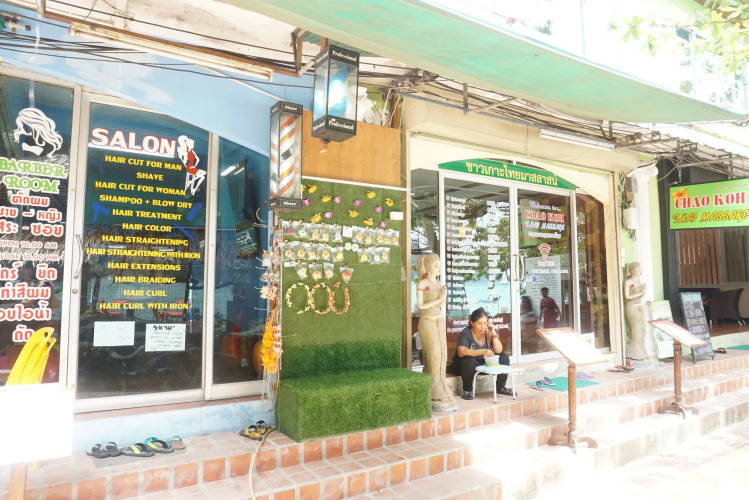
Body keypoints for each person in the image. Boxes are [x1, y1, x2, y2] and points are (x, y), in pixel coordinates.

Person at [416, 254, 455, 412]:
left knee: (443, 354)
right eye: (436, 265)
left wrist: (443, 297)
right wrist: (439, 299)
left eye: (440, 265)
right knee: (434, 355)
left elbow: (440, 304)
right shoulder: (423, 283)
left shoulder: (438, 283)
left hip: (439, 321)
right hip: (427, 322)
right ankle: (434, 391)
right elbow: (421, 306)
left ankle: (441, 386)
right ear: (428, 267)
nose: (439, 268)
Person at [450, 307, 512, 400]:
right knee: (469, 361)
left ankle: (500, 387)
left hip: (481, 364)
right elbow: (461, 352)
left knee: (504, 357)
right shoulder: (465, 333)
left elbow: (499, 350)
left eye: (485, 323)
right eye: (480, 324)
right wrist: (483, 351)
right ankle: (467, 390)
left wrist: (494, 334)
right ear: (472, 323)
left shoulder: (488, 332)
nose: (483, 326)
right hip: (464, 367)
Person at [624, 261, 648, 360]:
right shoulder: (628, 282)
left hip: (639, 306)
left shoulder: (638, 281)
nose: (640, 272)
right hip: (632, 307)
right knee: (636, 329)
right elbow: (627, 296)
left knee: (642, 329)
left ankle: (640, 351)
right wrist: (640, 293)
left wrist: (643, 290)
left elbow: (640, 295)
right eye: (638, 270)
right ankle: (633, 352)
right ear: (633, 271)